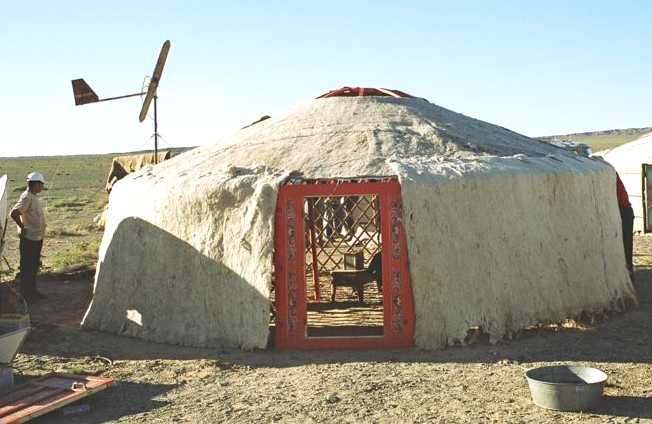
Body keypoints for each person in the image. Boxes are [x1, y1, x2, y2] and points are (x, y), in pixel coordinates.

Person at [10, 172, 47, 302]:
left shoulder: (33, 196)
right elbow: (14, 213)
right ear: (36, 184)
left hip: (36, 238)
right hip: (29, 239)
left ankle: (33, 292)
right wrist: (22, 227)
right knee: (27, 268)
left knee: (33, 266)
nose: (42, 187)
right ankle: (26, 296)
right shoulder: (27, 197)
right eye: (41, 184)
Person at [616, 173, 634, 281]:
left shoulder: (611, 175)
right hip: (624, 210)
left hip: (625, 211)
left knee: (626, 244)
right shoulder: (611, 172)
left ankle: (629, 275)